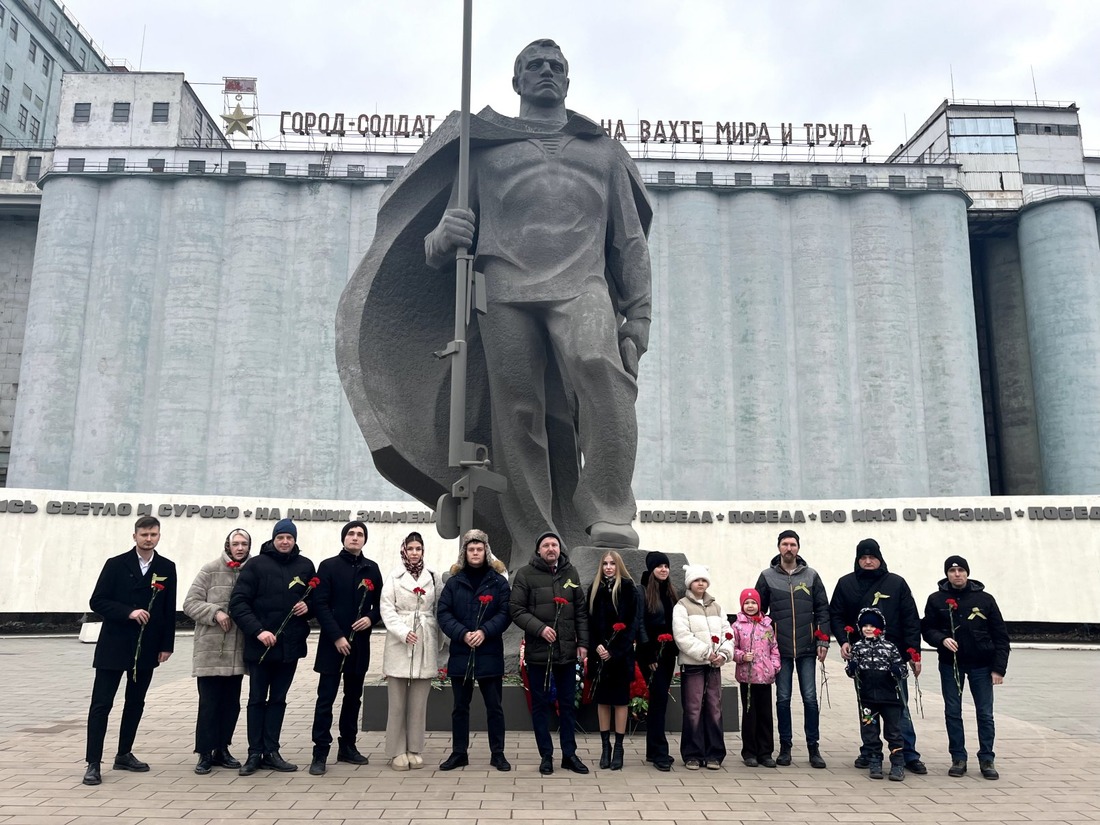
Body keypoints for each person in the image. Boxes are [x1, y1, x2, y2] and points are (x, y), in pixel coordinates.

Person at [418, 38, 653, 555]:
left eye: (556, 66)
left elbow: (629, 240)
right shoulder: (482, 149)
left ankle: (609, 508)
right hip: (503, 286)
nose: (546, 71)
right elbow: (438, 241)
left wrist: (638, 315)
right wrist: (445, 236)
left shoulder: (602, 149)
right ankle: (535, 541)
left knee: (602, 369)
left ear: (567, 81)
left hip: (583, 284)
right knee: (519, 416)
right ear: (517, 81)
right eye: (534, 65)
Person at [83, 516, 177, 786]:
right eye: (144, 534)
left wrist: (166, 645)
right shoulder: (115, 564)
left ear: (159, 536)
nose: (149, 539)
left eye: (154, 534)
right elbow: (97, 600)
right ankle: (93, 762)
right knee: (102, 704)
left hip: (146, 648)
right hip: (114, 645)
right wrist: (128, 612)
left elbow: (167, 609)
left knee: (135, 702)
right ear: (134, 536)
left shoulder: (166, 567)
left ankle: (124, 753)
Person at [829, 537, 926, 774]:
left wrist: (914, 652)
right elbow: (836, 616)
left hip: (892, 659)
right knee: (868, 708)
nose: (868, 561)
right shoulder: (846, 583)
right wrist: (844, 641)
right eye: (863, 557)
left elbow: (911, 619)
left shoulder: (896, 583)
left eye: (872, 557)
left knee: (898, 706)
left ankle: (907, 753)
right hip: (863, 661)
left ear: (880, 559)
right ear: (857, 559)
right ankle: (870, 751)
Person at [229, 519, 315, 775]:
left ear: (295, 540)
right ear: (273, 539)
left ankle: (272, 751)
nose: (285, 542)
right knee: (256, 700)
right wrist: (258, 631)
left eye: (289, 537)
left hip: (289, 647)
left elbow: (317, 600)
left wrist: (308, 608)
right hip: (261, 647)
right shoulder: (256, 564)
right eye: (281, 537)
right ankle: (254, 753)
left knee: (278, 700)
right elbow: (239, 603)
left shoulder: (306, 566)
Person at [921, 555, 1010, 780]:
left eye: (961, 570)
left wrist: (999, 668)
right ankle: (958, 757)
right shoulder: (936, 599)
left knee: (985, 714)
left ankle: (987, 758)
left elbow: (1001, 636)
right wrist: (941, 639)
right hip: (951, 665)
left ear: (967, 572)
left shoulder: (985, 599)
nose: (957, 574)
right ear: (946, 574)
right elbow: (927, 629)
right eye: (952, 571)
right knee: (953, 711)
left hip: (981, 665)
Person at [509, 531, 590, 775]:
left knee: (567, 704)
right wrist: (540, 628)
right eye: (546, 545)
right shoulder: (525, 574)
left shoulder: (571, 573)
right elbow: (516, 609)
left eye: (554, 544)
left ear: (559, 548)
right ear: (538, 550)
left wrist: (582, 643)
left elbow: (581, 613)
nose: (551, 548)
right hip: (538, 652)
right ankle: (546, 755)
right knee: (541, 705)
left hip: (566, 652)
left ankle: (569, 754)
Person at [307, 520, 383, 775]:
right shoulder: (328, 566)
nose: (355, 538)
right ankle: (320, 752)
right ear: (343, 538)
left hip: (359, 644)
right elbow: (320, 604)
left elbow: (381, 604)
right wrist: (338, 636)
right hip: (332, 644)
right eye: (351, 533)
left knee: (353, 698)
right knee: (325, 699)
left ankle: (347, 746)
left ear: (364, 540)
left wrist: (370, 619)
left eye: (360, 534)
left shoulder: (371, 569)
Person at [436, 529, 513, 772]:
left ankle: (497, 754)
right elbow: (443, 613)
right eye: (471, 549)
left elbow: (505, 613)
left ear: (486, 551)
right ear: (465, 553)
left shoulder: (498, 582)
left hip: (488, 651)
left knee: (494, 707)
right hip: (461, 652)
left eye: (479, 549)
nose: (475, 553)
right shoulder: (454, 582)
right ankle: (459, 753)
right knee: (460, 707)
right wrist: (462, 633)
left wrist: (484, 632)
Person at [754, 529, 830, 768]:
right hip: (780, 649)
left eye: (793, 544)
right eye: (785, 544)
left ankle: (813, 747)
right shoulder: (767, 576)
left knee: (809, 698)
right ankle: (785, 747)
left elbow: (822, 610)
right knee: (783, 698)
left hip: (807, 647)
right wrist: (763, 643)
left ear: (798, 548)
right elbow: (758, 611)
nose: (789, 548)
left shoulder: (812, 576)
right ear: (778, 547)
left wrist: (823, 640)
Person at [182, 527, 251, 775]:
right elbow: (190, 603)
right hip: (211, 649)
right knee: (209, 704)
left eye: (244, 543)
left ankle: (223, 748)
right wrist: (215, 612)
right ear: (228, 546)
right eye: (236, 544)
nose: (240, 548)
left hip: (238, 649)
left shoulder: (252, 570)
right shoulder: (210, 569)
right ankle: (204, 752)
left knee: (231, 704)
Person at [379, 531, 441, 771]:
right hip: (399, 642)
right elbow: (387, 609)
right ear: (404, 550)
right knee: (397, 704)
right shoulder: (394, 577)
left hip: (425, 640)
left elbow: (438, 607)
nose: (415, 553)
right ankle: (395, 750)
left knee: (418, 703)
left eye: (419, 549)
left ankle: (414, 748)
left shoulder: (433, 577)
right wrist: (402, 631)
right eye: (411, 548)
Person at [672, 564, 732, 771]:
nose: (701, 583)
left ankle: (714, 753)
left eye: (704, 580)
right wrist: (706, 653)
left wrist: (723, 654)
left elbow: (727, 632)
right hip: (694, 665)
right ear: (690, 583)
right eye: (697, 580)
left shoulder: (716, 607)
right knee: (693, 710)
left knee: (714, 709)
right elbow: (682, 636)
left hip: (714, 666)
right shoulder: (681, 606)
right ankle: (693, 754)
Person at [586, 550, 641, 770]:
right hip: (599, 656)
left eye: (612, 564)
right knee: (603, 701)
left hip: (620, 656)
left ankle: (618, 747)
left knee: (620, 701)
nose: (608, 567)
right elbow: (588, 622)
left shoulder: (629, 589)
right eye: (605, 564)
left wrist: (615, 650)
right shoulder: (593, 589)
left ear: (619, 566)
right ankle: (605, 747)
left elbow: (632, 624)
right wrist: (596, 645)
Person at [844, 607, 910, 781]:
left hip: (889, 698)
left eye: (872, 626)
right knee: (870, 731)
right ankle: (874, 760)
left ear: (880, 628)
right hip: (867, 699)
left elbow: (903, 670)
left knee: (893, 732)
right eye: (865, 625)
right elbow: (851, 671)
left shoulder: (889, 647)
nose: (868, 629)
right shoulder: (858, 647)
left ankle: (897, 763)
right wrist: (851, 669)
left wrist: (897, 670)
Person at [636, 551, 678, 772]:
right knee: (659, 698)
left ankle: (653, 750)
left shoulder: (670, 592)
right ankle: (660, 752)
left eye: (666, 566)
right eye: (660, 566)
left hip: (668, 653)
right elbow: (640, 624)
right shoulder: (642, 591)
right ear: (651, 569)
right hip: (651, 655)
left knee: (659, 701)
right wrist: (648, 653)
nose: (664, 569)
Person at [731, 588, 780, 768]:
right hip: (747, 677)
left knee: (765, 715)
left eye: (753, 603)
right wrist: (742, 656)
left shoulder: (767, 625)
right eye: (747, 603)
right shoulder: (737, 626)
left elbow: (774, 647)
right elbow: (732, 648)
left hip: (765, 677)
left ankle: (765, 752)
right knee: (750, 714)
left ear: (759, 605)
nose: (750, 606)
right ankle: (749, 752)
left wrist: (774, 667)